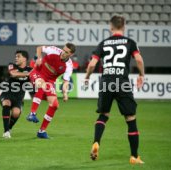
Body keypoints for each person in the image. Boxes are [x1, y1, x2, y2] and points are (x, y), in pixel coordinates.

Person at [85, 15, 145, 164]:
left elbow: (92, 64)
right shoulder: (130, 42)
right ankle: (134, 156)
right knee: (130, 118)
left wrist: (87, 77)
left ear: (111, 27)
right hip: (122, 82)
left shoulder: (103, 43)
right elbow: (138, 59)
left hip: (106, 81)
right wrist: (141, 75)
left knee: (103, 115)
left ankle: (96, 142)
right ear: (123, 26)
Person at [26, 43, 76, 139]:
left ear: (71, 54)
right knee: (42, 85)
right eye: (63, 49)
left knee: (55, 105)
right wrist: (39, 58)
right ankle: (32, 113)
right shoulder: (54, 50)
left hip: (49, 82)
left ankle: (41, 131)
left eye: (66, 52)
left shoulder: (69, 66)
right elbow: (39, 47)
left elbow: (66, 81)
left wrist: (65, 93)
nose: (63, 52)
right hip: (37, 73)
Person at [0, 50, 32, 139]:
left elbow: (35, 80)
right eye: (16, 56)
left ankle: (9, 128)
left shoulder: (31, 69)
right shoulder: (12, 65)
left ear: (24, 58)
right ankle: (6, 132)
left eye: (18, 56)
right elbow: (13, 73)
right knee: (6, 103)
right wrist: (28, 74)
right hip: (7, 94)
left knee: (16, 113)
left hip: (19, 97)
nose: (16, 58)